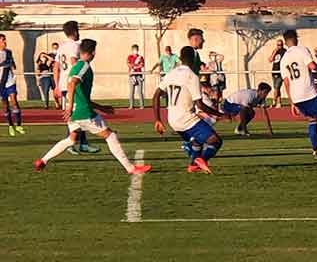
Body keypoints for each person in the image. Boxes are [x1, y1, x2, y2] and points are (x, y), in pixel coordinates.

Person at [34, 39, 152, 175]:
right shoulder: (84, 66)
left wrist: (100, 107)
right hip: (82, 112)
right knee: (110, 135)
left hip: (74, 111)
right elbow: (72, 84)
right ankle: (130, 168)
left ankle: (43, 160)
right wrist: (71, 105)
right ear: (92, 52)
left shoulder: (76, 66)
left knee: (71, 139)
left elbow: (80, 94)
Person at [152, 46, 225, 174]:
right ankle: (200, 160)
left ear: (180, 58)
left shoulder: (171, 73)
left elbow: (156, 95)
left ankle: (192, 164)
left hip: (172, 119)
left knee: (198, 140)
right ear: (193, 60)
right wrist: (220, 114)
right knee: (215, 140)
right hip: (186, 118)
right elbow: (200, 105)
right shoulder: (192, 76)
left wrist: (158, 119)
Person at [281, 30, 317, 158]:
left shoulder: (284, 59)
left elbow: (286, 82)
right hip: (308, 92)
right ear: (296, 39)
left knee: (312, 120)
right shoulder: (301, 50)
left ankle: (315, 150)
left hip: (296, 96)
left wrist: (292, 103)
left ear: (285, 42)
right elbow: (312, 66)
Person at [53, 21, 99, 154]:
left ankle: (80, 143)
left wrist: (56, 86)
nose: (79, 32)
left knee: (77, 114)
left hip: (63, 84)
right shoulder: (75, 46)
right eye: (77, 30)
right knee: (77, 112)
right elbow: (74, 63)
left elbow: (56, 67)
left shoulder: (61, 47)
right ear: (74, 32)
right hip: (73, 83)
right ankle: (75, 143)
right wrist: (79, 77)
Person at [0, 35, 23, 137]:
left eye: (5, 40)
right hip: (1, 83)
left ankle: (18, 124)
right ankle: (10, 125)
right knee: (5, 104)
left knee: (14, 100)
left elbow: (13, 65)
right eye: (3, 40)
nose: (5, 42)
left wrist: (12, 64)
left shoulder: (9, 52)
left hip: (9, 81)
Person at [268, 39, 287, 108]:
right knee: (277, 88)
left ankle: (273, 101)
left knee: (276, 87)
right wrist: (275, 51)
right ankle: (279, 102)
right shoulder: (275, 51)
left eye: (281, 45)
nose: (280, 46)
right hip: (274, 71)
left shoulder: (285, 51)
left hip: (280, 72)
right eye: (278, 45)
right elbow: (270, 60)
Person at [127, 44, 145, 110]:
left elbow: (142, 65)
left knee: (140, 92)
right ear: (132, 50)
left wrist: (135, 66)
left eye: (136, 50)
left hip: (139, 75)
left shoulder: (141, 57)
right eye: (134, 50)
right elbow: (129, 64)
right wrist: (135, 65)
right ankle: (131, 106)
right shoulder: (129, 57)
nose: (135, 51)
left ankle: (142, 106)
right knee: (131, 92)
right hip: (132, 75)